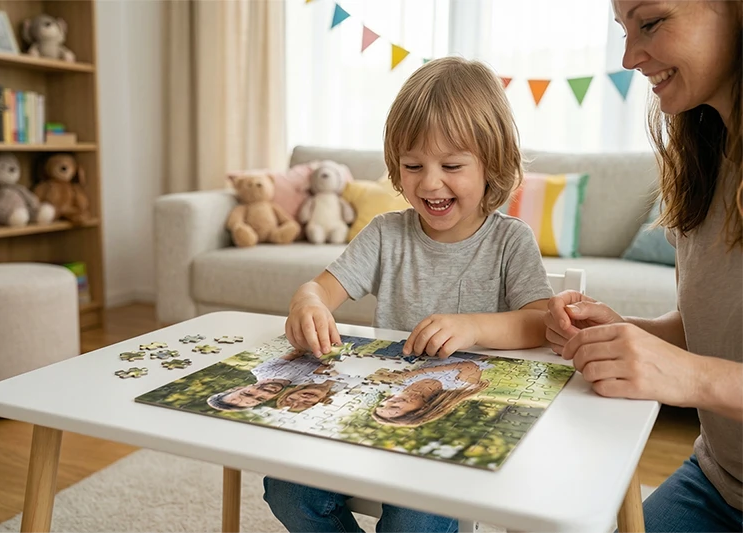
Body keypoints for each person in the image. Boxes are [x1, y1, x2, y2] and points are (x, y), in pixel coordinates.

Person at [265, 56, 554, 533]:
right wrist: (308, 303)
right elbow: (320, 288)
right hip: (367, 408)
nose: (430, 182)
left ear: (493, 163)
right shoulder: (385, 234)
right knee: (287, 489)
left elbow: (541, 321)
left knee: (415, 520)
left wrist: (473, 326)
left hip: (452, 421)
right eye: (413, 165)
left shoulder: (511, 240)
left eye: (452, 165)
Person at [545, 2, 742, 531]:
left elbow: (701, 367)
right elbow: (713, 328)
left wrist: (690, 378)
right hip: (721, 482)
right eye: (623, 31)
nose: (630, 58)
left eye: (650, 22)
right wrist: (624, 333)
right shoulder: (703, 160)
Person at [370, 357, 494, 427]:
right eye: (394, 407)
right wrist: (418, 372)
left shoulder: (398, 386)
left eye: (382, 404)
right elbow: (470, 366)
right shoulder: (458, 387)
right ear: (421, 410)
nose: (389, 401)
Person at [207, 352, 341, 411]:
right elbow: (327, 369)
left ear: (239, 387)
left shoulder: (260, 371)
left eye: (247, 393)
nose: (264, 393)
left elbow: (296, 352)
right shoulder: (303, 384)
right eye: (260, 399)